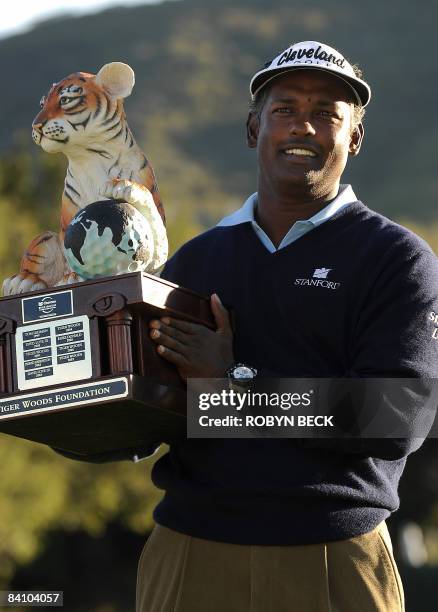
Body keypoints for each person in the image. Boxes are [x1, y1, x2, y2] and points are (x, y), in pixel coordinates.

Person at [136, 40, 438, 611]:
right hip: (190, 550)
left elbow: (395, 416)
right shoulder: (194, 263)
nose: (304, 126)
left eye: (327, 113)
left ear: (354, 137)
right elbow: (153, 411)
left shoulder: (397, 259)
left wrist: (233, 383)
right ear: (254, 130)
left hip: (332, 553)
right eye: (285, 110)